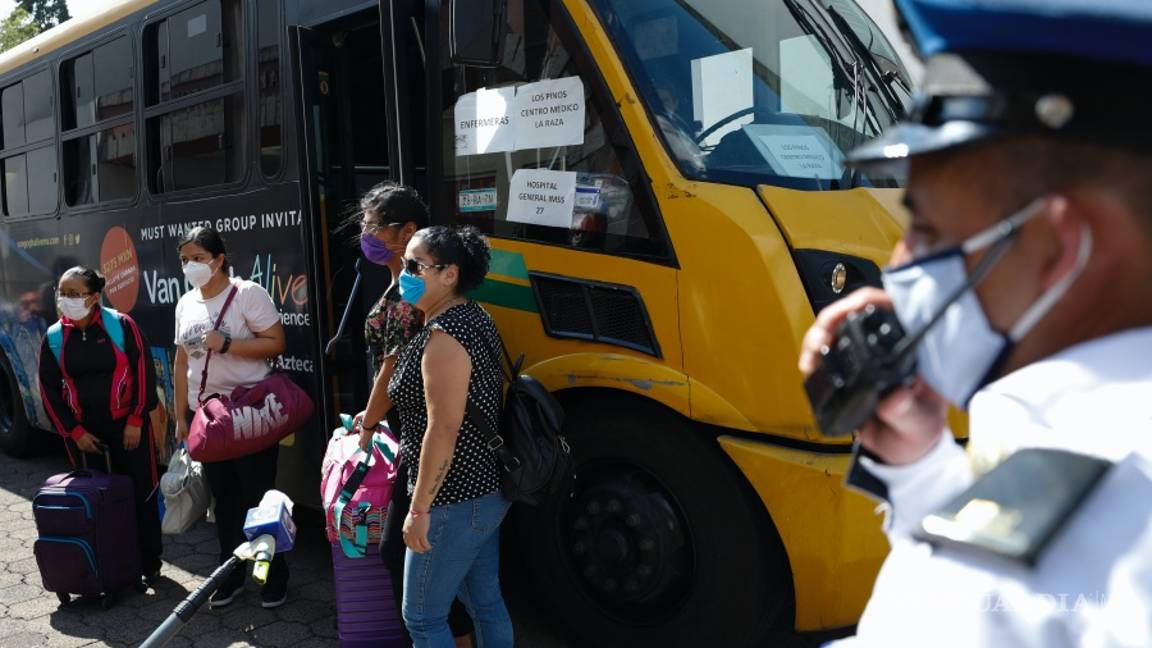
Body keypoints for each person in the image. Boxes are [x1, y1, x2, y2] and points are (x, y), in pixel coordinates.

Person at [797, 1, 1152, 645]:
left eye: (927, 227)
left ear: (1060, 247)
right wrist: (922, 470)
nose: (898, 262)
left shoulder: (1014, 589)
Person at [349, 183, 477, 646]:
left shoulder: (411, 298)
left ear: (405, 231)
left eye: (373, 227)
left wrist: (366, 422)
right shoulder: (398, 286)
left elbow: (390, 369)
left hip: (422, 439)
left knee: (399, 554)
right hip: (411, 435)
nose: (366, 235)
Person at [389, 225, 513, 647]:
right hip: (483, 491)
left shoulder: (444, 336)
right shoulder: (472, 317)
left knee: (422, 618)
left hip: (451, 500)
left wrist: (419, 508)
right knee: (485, 602)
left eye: (414, 265)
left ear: (450, 274)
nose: (404, 273)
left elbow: (443, 429)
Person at [171, 226, 290, 609]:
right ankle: (231, 576)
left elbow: (276, 343)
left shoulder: (247, 294)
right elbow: (181, 361)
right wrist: (180, 416)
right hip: (208, 418)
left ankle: (272, 578)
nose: (190, 266)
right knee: (224, 502)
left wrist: (227, 344)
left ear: (219, 259)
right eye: (185, 259)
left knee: (261, 500)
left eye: (198, 258)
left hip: (249, 413)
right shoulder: (186, 303)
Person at [38, 266, 162, 587]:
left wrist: (136, 420)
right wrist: (74, 433)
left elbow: (144, 373)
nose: (66, 300)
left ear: (94, 297)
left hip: (128, 428)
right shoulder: (53, 337)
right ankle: (104, 568)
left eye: (74, 294)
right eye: (62, 293)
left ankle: (149, 565)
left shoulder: (121, 325)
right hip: (84, 435)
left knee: (140, 495)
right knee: (96, 502)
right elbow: (48, 390)